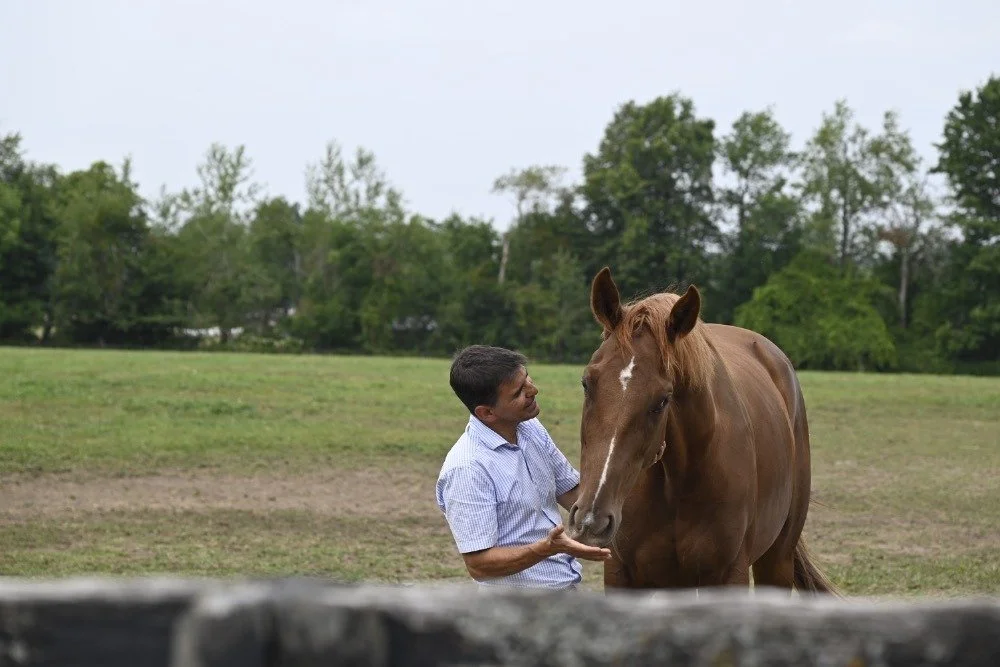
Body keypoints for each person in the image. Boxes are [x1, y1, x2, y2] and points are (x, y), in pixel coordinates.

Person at [435, 344, 611, 590]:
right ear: (486, 413)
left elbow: (572, 493)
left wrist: (639, 466)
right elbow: (480, 565)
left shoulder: (529, 428)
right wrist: (546, 549)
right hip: (518, 611)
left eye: (527, 378)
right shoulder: (467, 469)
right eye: (519, 392)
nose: (533, 390)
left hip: (566, 591)